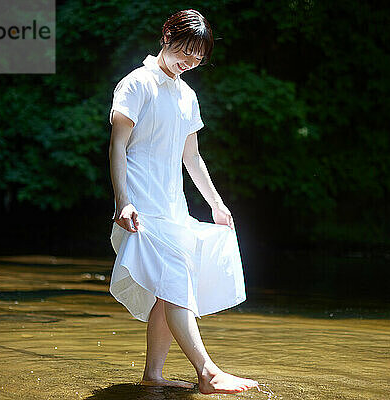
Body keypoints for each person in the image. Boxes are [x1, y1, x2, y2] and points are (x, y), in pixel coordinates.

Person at [108, 9, 258, 395]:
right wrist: (122, 201)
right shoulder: (136, 84)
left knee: (168, 287)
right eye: (185, 51)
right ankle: (207, 371)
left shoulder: (187, 95)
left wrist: (216, 204)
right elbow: (118, 147)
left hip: (173, 208)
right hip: (142, 206)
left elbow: (192, 157)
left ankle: (153, 376)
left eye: (198, 57)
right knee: (175, 280)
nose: (189, 61)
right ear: (166, 37)